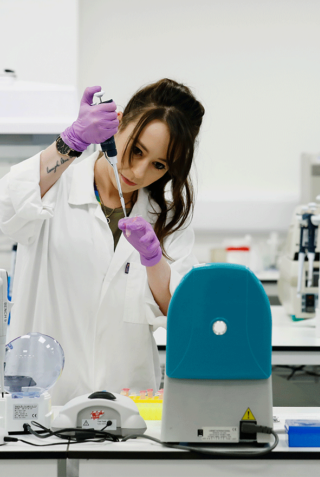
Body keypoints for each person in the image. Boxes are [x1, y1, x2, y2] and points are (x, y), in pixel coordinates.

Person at [0, 79, 205, 405]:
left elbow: (177, 312)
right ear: (117, 124)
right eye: (136, 150)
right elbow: (6, 207)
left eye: (159, 165)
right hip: (43, 402)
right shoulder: (56, 186)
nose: (138, 172)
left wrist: (154, 261)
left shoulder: (166, 221)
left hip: (127, 407)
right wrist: (72, 141)